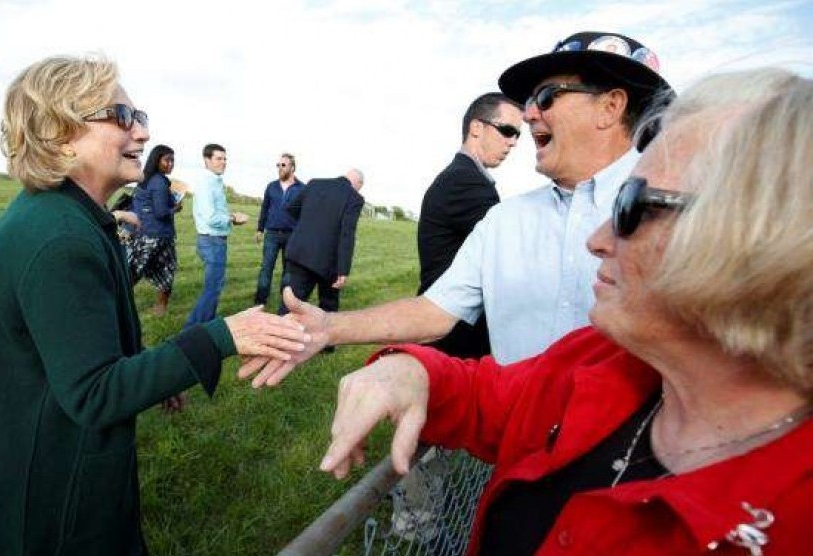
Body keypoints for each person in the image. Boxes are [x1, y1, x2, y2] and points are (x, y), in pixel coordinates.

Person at [318, 68, 813, 555]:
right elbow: (486, 386)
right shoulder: (599, 360)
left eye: (631, 208)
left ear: (760, 239)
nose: (597, 241)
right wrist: (406, 367)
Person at [0, 55, 309, 555]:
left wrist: (149, 374)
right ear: (61, 132)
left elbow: (83, 352)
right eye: (122, 116)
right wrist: (221, 336)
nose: (140, 133)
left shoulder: (66, 218)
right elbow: (93, 392)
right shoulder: (59, 238)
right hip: (53, 511)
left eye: (140, 118)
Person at [239, 31, 673, 385]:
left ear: (611, 107)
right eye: (525, 106)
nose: (528, 116)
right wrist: (329, 327)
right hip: (516, 458)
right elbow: (435, 310)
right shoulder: (505, 219)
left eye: (546, 97)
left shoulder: (683, 216)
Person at [417, 92, 522, 358]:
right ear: (476, 127)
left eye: (517, 135)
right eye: (507, 131)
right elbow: (509, 255)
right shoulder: (466, 182)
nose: (512, 142)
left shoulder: (465, 177)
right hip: (454, 334)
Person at [280, 169, 365, 324]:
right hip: (328, 258)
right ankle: (328, 344)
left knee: (291, 301)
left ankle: (277, 335)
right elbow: (347, 233)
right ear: (358, 183)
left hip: (300, 251)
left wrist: (308, 223)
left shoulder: (315, 183)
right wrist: (343, 269)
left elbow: (291, 209)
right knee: (328, 303)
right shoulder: (355, 197)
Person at [184, 143, 248, 327]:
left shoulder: (214, 181)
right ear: (207, 160)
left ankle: (207, 325)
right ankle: (191, 329)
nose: (223, 162)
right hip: (212, 241)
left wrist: (230, 216)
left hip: (214, 240)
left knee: (215, 286)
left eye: (225, 158)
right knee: (213, 288)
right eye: (219, 158)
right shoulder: (207, 182)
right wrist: (233, 218)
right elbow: (211, 217)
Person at [126, 144, 182, 316]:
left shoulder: (146, 178)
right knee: (165, 271)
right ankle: (160, 308)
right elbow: (161, 212)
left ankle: (120, 303)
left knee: (132, 272)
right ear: (157, 160)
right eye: (167, 160)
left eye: (173, 160)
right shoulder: (159, 182)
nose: (170, 164)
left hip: (143, 233)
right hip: (157, 236)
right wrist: (176, 209)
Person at [253, 153, 305, 310]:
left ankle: (285, 305)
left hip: (292, 236)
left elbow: (305, 213)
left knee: (288, 273)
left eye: (283, 165)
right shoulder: (271, 186)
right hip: (272, 235)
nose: (280, 168)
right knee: (266, 268)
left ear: (292, 167)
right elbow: (265, 208)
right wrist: (260, 229)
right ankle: (260, 303)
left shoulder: (302, 189)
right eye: (278, 165)